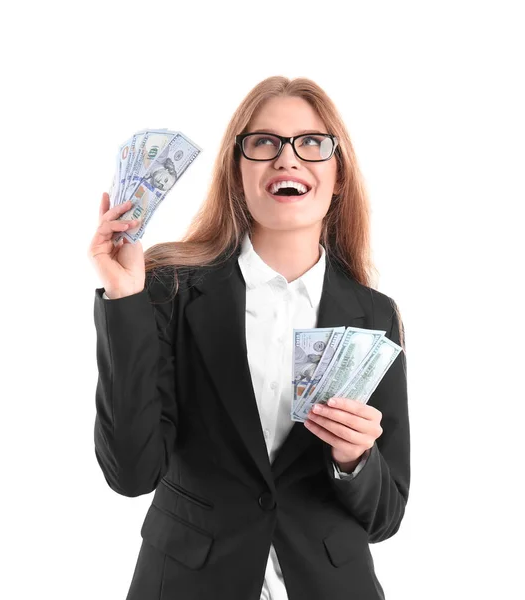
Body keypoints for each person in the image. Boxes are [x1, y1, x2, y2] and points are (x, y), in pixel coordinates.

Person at [88, 75, 410, 600]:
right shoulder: (169, 290)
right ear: (237, 175)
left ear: (338, 176)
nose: (287, 159)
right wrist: (124, 300)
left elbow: (386, 516)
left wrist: (354, 461)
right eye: (263, 143)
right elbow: (130, 472)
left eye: (311, 142)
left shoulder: (376, 315)